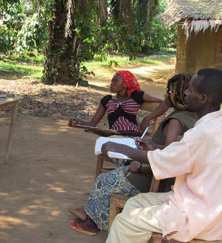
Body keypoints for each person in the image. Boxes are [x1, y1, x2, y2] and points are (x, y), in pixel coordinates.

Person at [67, 68, 222, 243]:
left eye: (190, 90)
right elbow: (181, 155)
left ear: (202, 98)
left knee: (128, 219)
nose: (186, 93)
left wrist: (120, 147)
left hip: (199, 215)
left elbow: (166, 162)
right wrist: (156, 148)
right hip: (202, 203)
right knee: (134, 204)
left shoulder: (203, 134)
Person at [68, 73, 197, 234]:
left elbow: (170, 160)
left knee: (104, 180)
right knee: (117, 171)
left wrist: (141, 168)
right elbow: (174, 152)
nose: (165, 95)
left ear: (177, 95)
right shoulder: (193, 118)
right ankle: (90, 211)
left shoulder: (175, 122)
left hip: (151, 178)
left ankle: (93, 224)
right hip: (156, 171)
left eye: (168, 92)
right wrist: (152, 144)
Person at [68, 70, 162, 136]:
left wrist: (148, 118)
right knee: (106, 145)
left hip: (132, 137)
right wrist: (79, 122)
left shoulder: (136, 96)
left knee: (109, 147)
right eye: (111, 81)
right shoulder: (107, 100)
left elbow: (163, 103)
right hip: (114, 136)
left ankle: (126, 163)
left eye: (115, 81)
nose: (111, 83)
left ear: (125, 84)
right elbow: (92, 124)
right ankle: (128, 163)